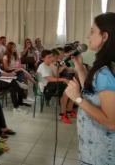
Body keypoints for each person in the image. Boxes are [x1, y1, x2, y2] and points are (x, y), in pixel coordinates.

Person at [64, 12, 115, 164]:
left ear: (105, 36)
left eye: (92, 31)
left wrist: (77, 98)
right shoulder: (105, 68)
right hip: (96, 147)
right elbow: (94, 94)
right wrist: (79, 68)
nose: (88, 36)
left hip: (103, 152)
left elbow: (111, 122)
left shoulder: (106, 72)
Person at [37, 49, 75, 123]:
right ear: (43, 59)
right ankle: (63, 113)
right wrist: (63, 80)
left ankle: (68, 110)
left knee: (72, 87)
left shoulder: (50, 64)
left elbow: (56, 75)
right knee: (66, 90)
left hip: (51, 85)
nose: (51, 58)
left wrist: (53, 66)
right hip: (46, 88)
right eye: (49, 57)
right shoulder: (43, 66)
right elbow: (50, 79)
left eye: (51, 57)